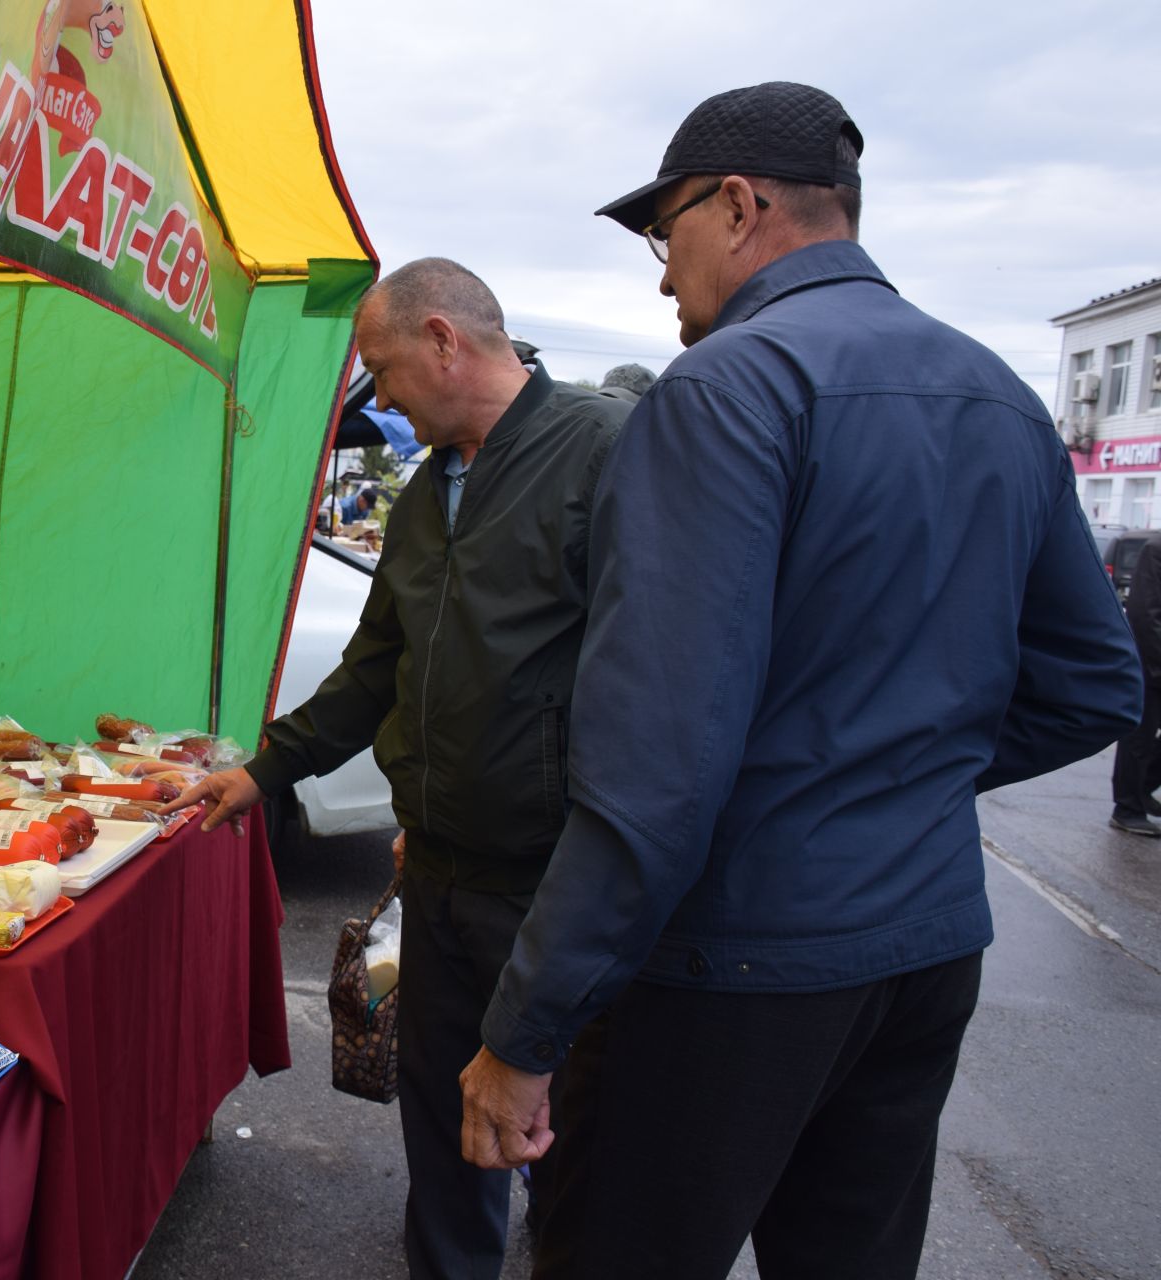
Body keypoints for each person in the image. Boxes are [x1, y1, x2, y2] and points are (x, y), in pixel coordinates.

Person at [452, 83, 1143, 1279]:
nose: (664, 278)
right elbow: (1090, 680)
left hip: (732, 964)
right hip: (923, 953)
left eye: (666, 237)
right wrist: (896, 772)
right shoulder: (1000, 394)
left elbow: (654, 773)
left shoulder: (726, 391)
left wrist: (523, 1030)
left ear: (739, 203)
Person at [166, 257, 629, 1279]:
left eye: (382, 369)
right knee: (445, 1120)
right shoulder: (429, 491)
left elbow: (658, 680)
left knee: (564, 1131)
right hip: (441, 872)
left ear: (442, 339)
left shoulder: (602, 448)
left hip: (555, 880)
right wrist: (265, 769)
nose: (382, 398)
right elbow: (375, 663)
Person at [1110, 536, 1161, 834]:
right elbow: (1146, 614)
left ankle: (1141, 791)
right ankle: (1127, 807)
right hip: (1150, 662)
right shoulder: (1155, 550)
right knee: (1138, 739)